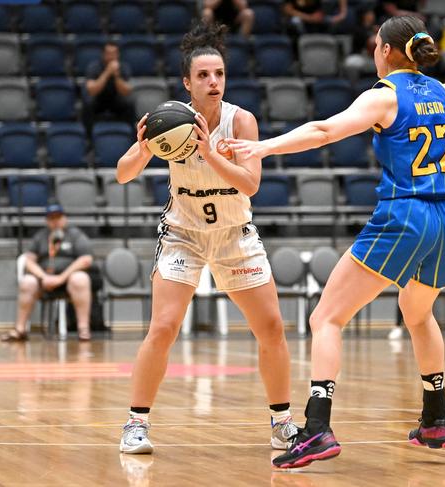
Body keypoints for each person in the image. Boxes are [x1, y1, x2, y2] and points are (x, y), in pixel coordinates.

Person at [227, 15, 445, 468]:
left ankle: (317, 429)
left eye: (376, 45)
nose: (374, 52)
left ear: (388, 51)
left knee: (326, 317)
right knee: (417, 312)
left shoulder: (384, 97)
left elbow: (324, 131)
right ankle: (436, 418)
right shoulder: (444, 91)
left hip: (405, 212)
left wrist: (264, 148)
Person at [115, 23, 297, 455]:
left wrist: (212, 153)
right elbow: (123, 174)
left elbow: (250, 185)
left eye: (218, 74)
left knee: (271, 327)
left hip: (235, 235)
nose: (213, 82)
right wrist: (143, 148)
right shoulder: (168, 121)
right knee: (163, 327)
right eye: (203, 76)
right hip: (184, 234)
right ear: (187, 83)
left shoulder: (242, 121)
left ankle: (282, 423)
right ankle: (135, 424)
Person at [0, 202, 93, 342]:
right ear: (47, 220)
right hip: (44, 280)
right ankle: (20, 329)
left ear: (64, 218)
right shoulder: (41, 236)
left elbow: (86, 259)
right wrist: (43, 277)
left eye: (58, 217)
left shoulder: (75, 235)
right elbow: (28, 260)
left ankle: (83, 329)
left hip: (67, 280)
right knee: (27, 282)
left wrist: (61, 278)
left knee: (81, 278)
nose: (55, 221)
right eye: (51, 218)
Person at [84, 41, 134, 134]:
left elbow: (126, 91)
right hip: (99, 98)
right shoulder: (94, 66)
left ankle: (131, 136)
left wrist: (116, 76)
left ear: (118, 54)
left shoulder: (123, 67)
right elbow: (91, 91)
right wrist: (107, 73)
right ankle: (88, 138)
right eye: (108, 53)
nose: (111, 56)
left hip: (116, 98)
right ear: (103, 54)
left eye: (114, 53)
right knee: (88, 105)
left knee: (129, 104)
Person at [283, 0, 347, 35]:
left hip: (316, 17)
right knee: (296, 21)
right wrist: (309, 18)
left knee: (332, 21)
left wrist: (342, 14)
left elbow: (321, 9)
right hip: (299, 17)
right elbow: (288, 10)